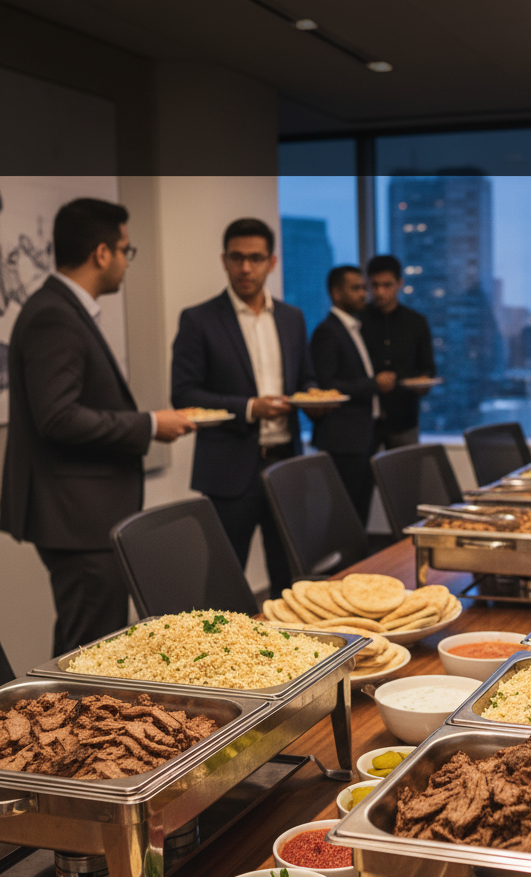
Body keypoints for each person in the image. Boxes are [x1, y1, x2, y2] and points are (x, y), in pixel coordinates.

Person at [0, 198, 194, 655]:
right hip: (77, 518)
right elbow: (58, 417)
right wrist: (148, 425)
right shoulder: (54, 314)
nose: (128, 262)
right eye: (127, 250)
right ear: (102, 253)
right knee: (88, 649)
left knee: (94, 642)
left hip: (82, 513)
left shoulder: (62, 307)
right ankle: (71, 726)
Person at [170, 218, 315, 599]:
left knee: (291, 579)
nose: (246, 268)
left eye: (255, 258)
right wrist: (250, 407)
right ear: (224, 260)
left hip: (285, 463)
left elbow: (307, 381)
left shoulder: (292, 318)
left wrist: (315, 399)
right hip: (229, 470)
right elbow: (183, 395)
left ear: (272, 262)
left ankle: (294, 657)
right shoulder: (199, 319)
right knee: (224, 581)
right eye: (237, 258)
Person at [309, 265, 396, 524]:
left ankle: (358, 562)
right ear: (336, 293)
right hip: (342, 438)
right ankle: (345, 565)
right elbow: (328, 386)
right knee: (344, 516)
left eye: (363, 288)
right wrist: (374, 385)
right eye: (356, 288)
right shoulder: (328, 331)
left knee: (359, 513)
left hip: (362, 434)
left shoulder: (353, 328)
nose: (364, 294)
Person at [360, 254, 437, 448]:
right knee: (362, 477)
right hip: (365, 420)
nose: (380, 292)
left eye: (387, 285)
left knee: (405, 476)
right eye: (374, 285)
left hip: (405, 418)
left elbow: (427, 368)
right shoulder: (358, 321)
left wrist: (423, 383)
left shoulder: (415, 322)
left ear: (399, 284)